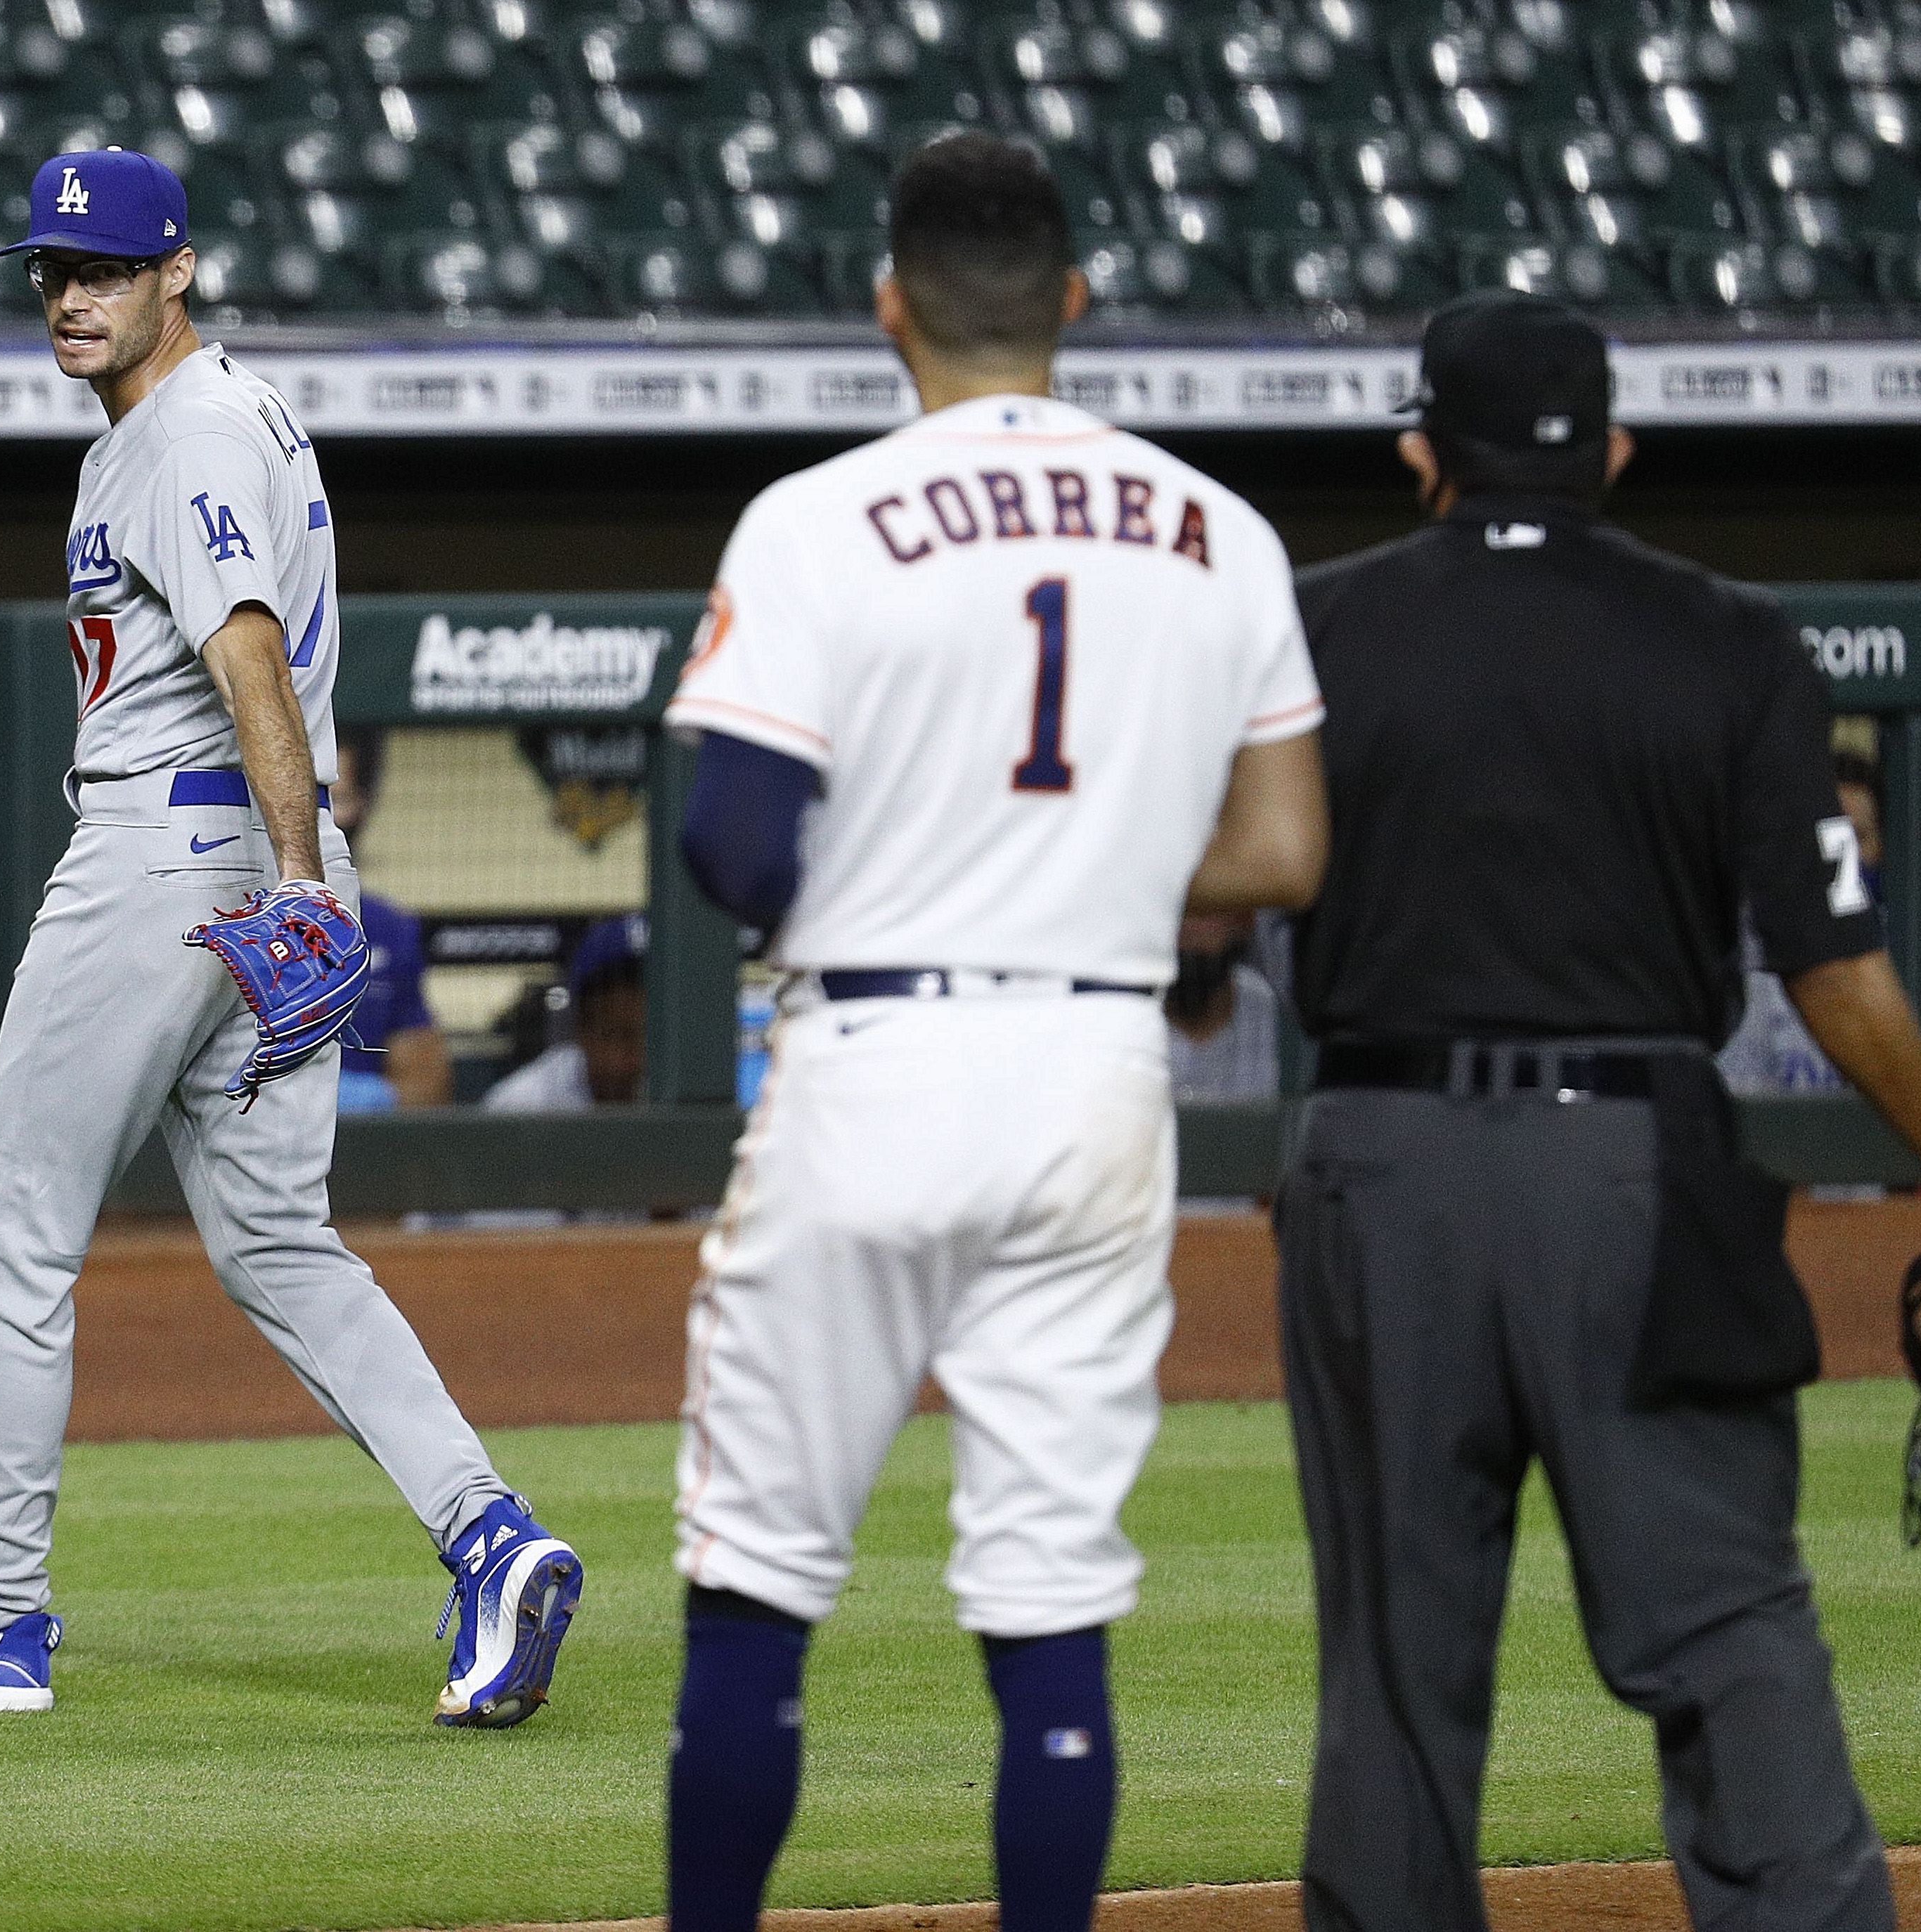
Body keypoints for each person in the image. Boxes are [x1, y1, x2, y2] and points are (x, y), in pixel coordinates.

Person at [1278, 290, 1921, 1932]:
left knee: (1394, 1662)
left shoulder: (1307, 630)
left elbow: (1220, 883)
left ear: (1422, 453)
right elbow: (1830, 966)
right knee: (1720, 1623)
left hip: (1378, 1162)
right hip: (1628, 1164)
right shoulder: (1727, 635)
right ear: (1613, 451)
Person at [0, 150, 580, 1724]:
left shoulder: (188, 433)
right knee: (279, 1242)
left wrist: (292, 878)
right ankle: (487, 1535)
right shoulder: (226, 416)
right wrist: (307, 878)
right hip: (254, 859)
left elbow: (247, 657)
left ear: (179, 271)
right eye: (53, 270)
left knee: (19, 1232)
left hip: (175, 854)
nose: (71, 295)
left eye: (104, 267)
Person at [657, 131, 1329, 1932]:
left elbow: (732, 844)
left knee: (756, 1575)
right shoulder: (1220, 528)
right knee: (1046, 1590)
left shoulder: (816, 517)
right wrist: (1092, 862)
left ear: (888, 305)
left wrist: (913, 857)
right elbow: (1282, 850)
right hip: (1099, 1070)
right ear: (1074, 301)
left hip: (874, 1056)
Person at [1721, 751, 1883, 1095]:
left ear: (1882, 847)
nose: (1839, 858)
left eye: (1855, 838)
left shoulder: (1899, 950)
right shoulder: (1745, 946)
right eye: (1827, 838)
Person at [328, 725, 452, 1110]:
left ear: (361, 805)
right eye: (311, 796)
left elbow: (427, 1087)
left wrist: (364, 1101)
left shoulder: (388, 928)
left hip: (358, 1142)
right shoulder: (231, 917)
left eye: (337, 798)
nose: (320, 816)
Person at [481, 914, 647, 1111]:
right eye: (616, 1035)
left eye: (650, 1037)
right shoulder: (523, 1106)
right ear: (580, 1029)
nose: (634, 1060)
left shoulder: (682, 1091)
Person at [1165, 912, 1280, 1104]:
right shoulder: (1126, 1008)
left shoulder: (1267, 1007)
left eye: (1203, 912)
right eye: (1180, 912)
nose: (1190, 929)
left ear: (1241, 921)